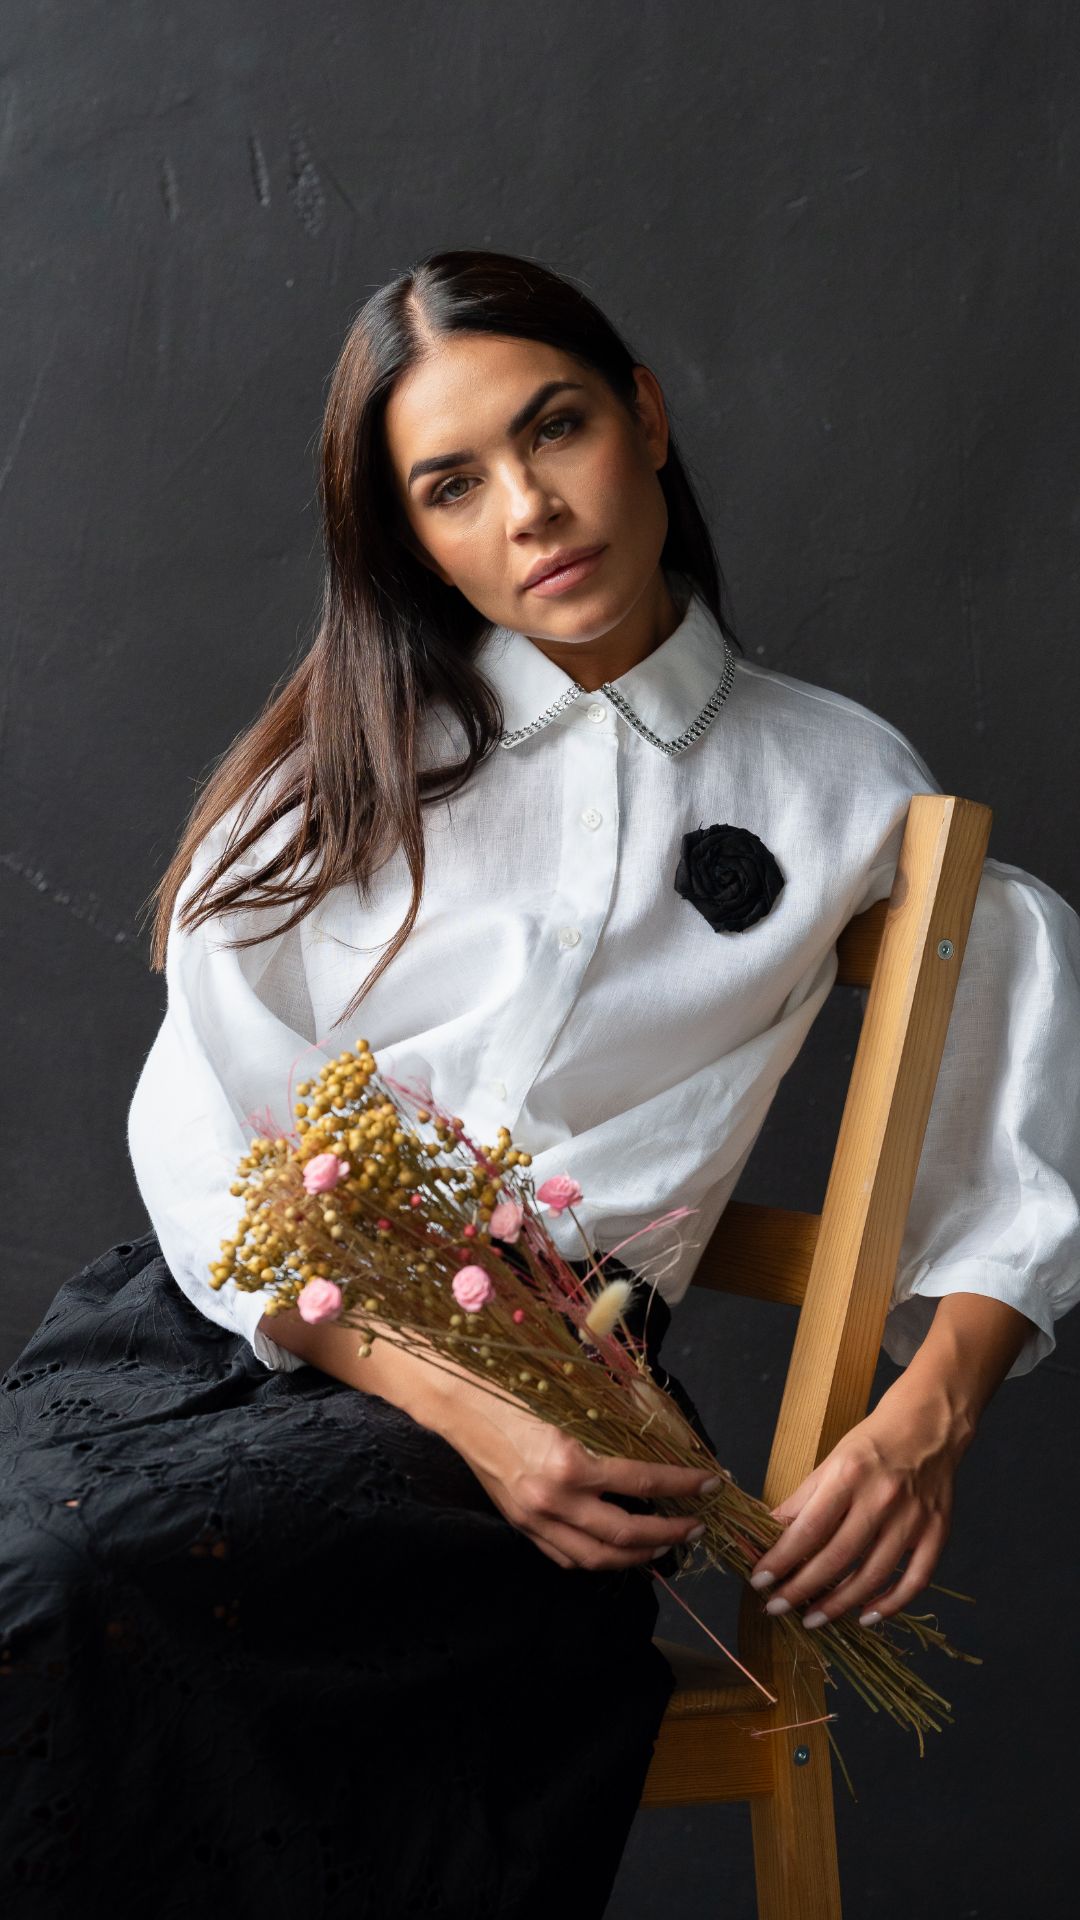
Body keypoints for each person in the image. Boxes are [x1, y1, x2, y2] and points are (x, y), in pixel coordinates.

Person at [2, 246, 1078, 1917]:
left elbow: (1008, 1001)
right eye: (452, 485)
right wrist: (453, 1399)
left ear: (644, 418)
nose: (529, 510)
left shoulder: (839, 779)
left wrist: (926, 1417)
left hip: (562, 1404)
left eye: (555, 427)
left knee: (75, 1587)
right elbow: (205, 1120)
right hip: (243, 1332)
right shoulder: (349, 765)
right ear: (409, 535)